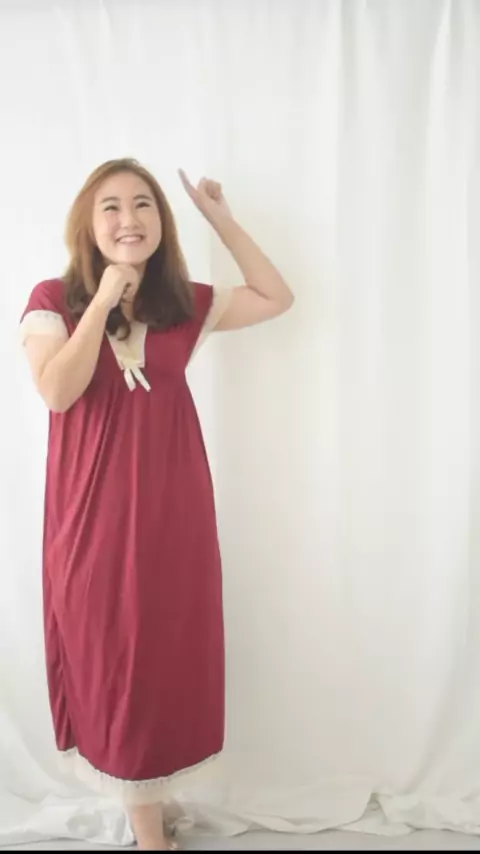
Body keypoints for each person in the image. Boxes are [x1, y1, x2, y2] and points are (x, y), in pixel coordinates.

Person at [19, 158, 294, 851]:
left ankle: (152, 798)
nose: (129, 219)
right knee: (114, 654)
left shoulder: (181, 306)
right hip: (92, 515)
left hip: (174, 510)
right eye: (111, 206)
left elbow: (275, 296)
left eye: (143, 204)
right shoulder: (52, 299)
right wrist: (103, 302)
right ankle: (147, 827)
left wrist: (220, 219)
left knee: (165, 651)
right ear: (88, 223)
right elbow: (57, 391)